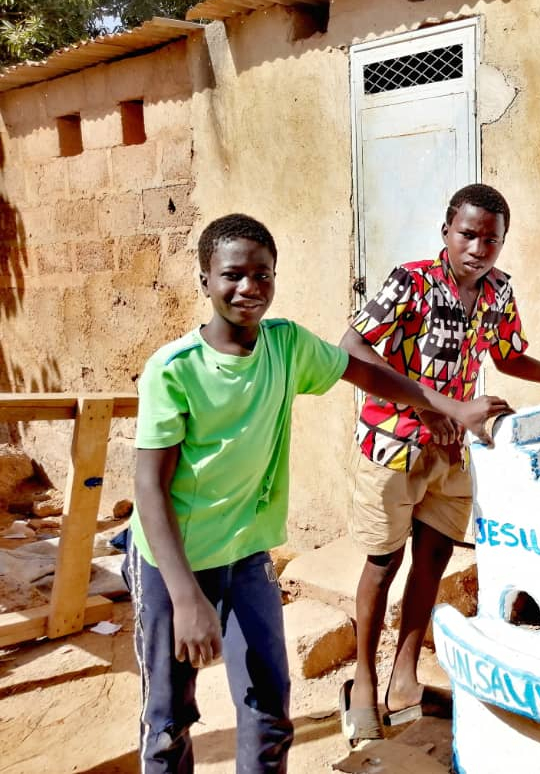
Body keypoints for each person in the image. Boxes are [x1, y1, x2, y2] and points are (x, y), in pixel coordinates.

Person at [127, 213, 510, 773]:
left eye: (263, 275)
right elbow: (149, 488)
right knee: (168, 720)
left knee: (268, 711)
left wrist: (453, 407)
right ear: (204, 280)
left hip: (245, 556)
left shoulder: (285, 347)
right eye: (233, 274)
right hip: (174, 562)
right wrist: (186, 598)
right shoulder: (174, 370)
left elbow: (371, 376)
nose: (249, 288)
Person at [339, 183, 540, 744]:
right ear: (447, 231)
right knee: (383, 563)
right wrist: (442, 405)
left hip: (450, 451)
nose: (479, 248)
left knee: (434, 558)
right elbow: (351, 347)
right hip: (393, 445)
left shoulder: (496, 293)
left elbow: (509, 356)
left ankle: (405, 680)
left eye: (492, 239)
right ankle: (363, 684)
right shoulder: (410, 282)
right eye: (468, 234)